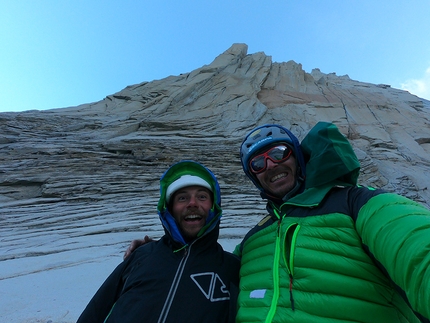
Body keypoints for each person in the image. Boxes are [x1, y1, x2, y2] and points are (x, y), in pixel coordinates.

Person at [125, 122, 430, 322]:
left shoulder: (356, 202)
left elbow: (417, 250)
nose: (271, 165)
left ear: (298, 156)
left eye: (279, 152)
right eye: (258, 163)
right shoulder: (254, 238)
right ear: (255, 177)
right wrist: (165, 251)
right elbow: (209, 277)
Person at [78, 160, 240, 323]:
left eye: (202, 197)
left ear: (214, 207)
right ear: (168, 209)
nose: (192, 203)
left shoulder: (231, 268)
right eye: (182, 198)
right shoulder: (141, 256)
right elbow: (96, 311)